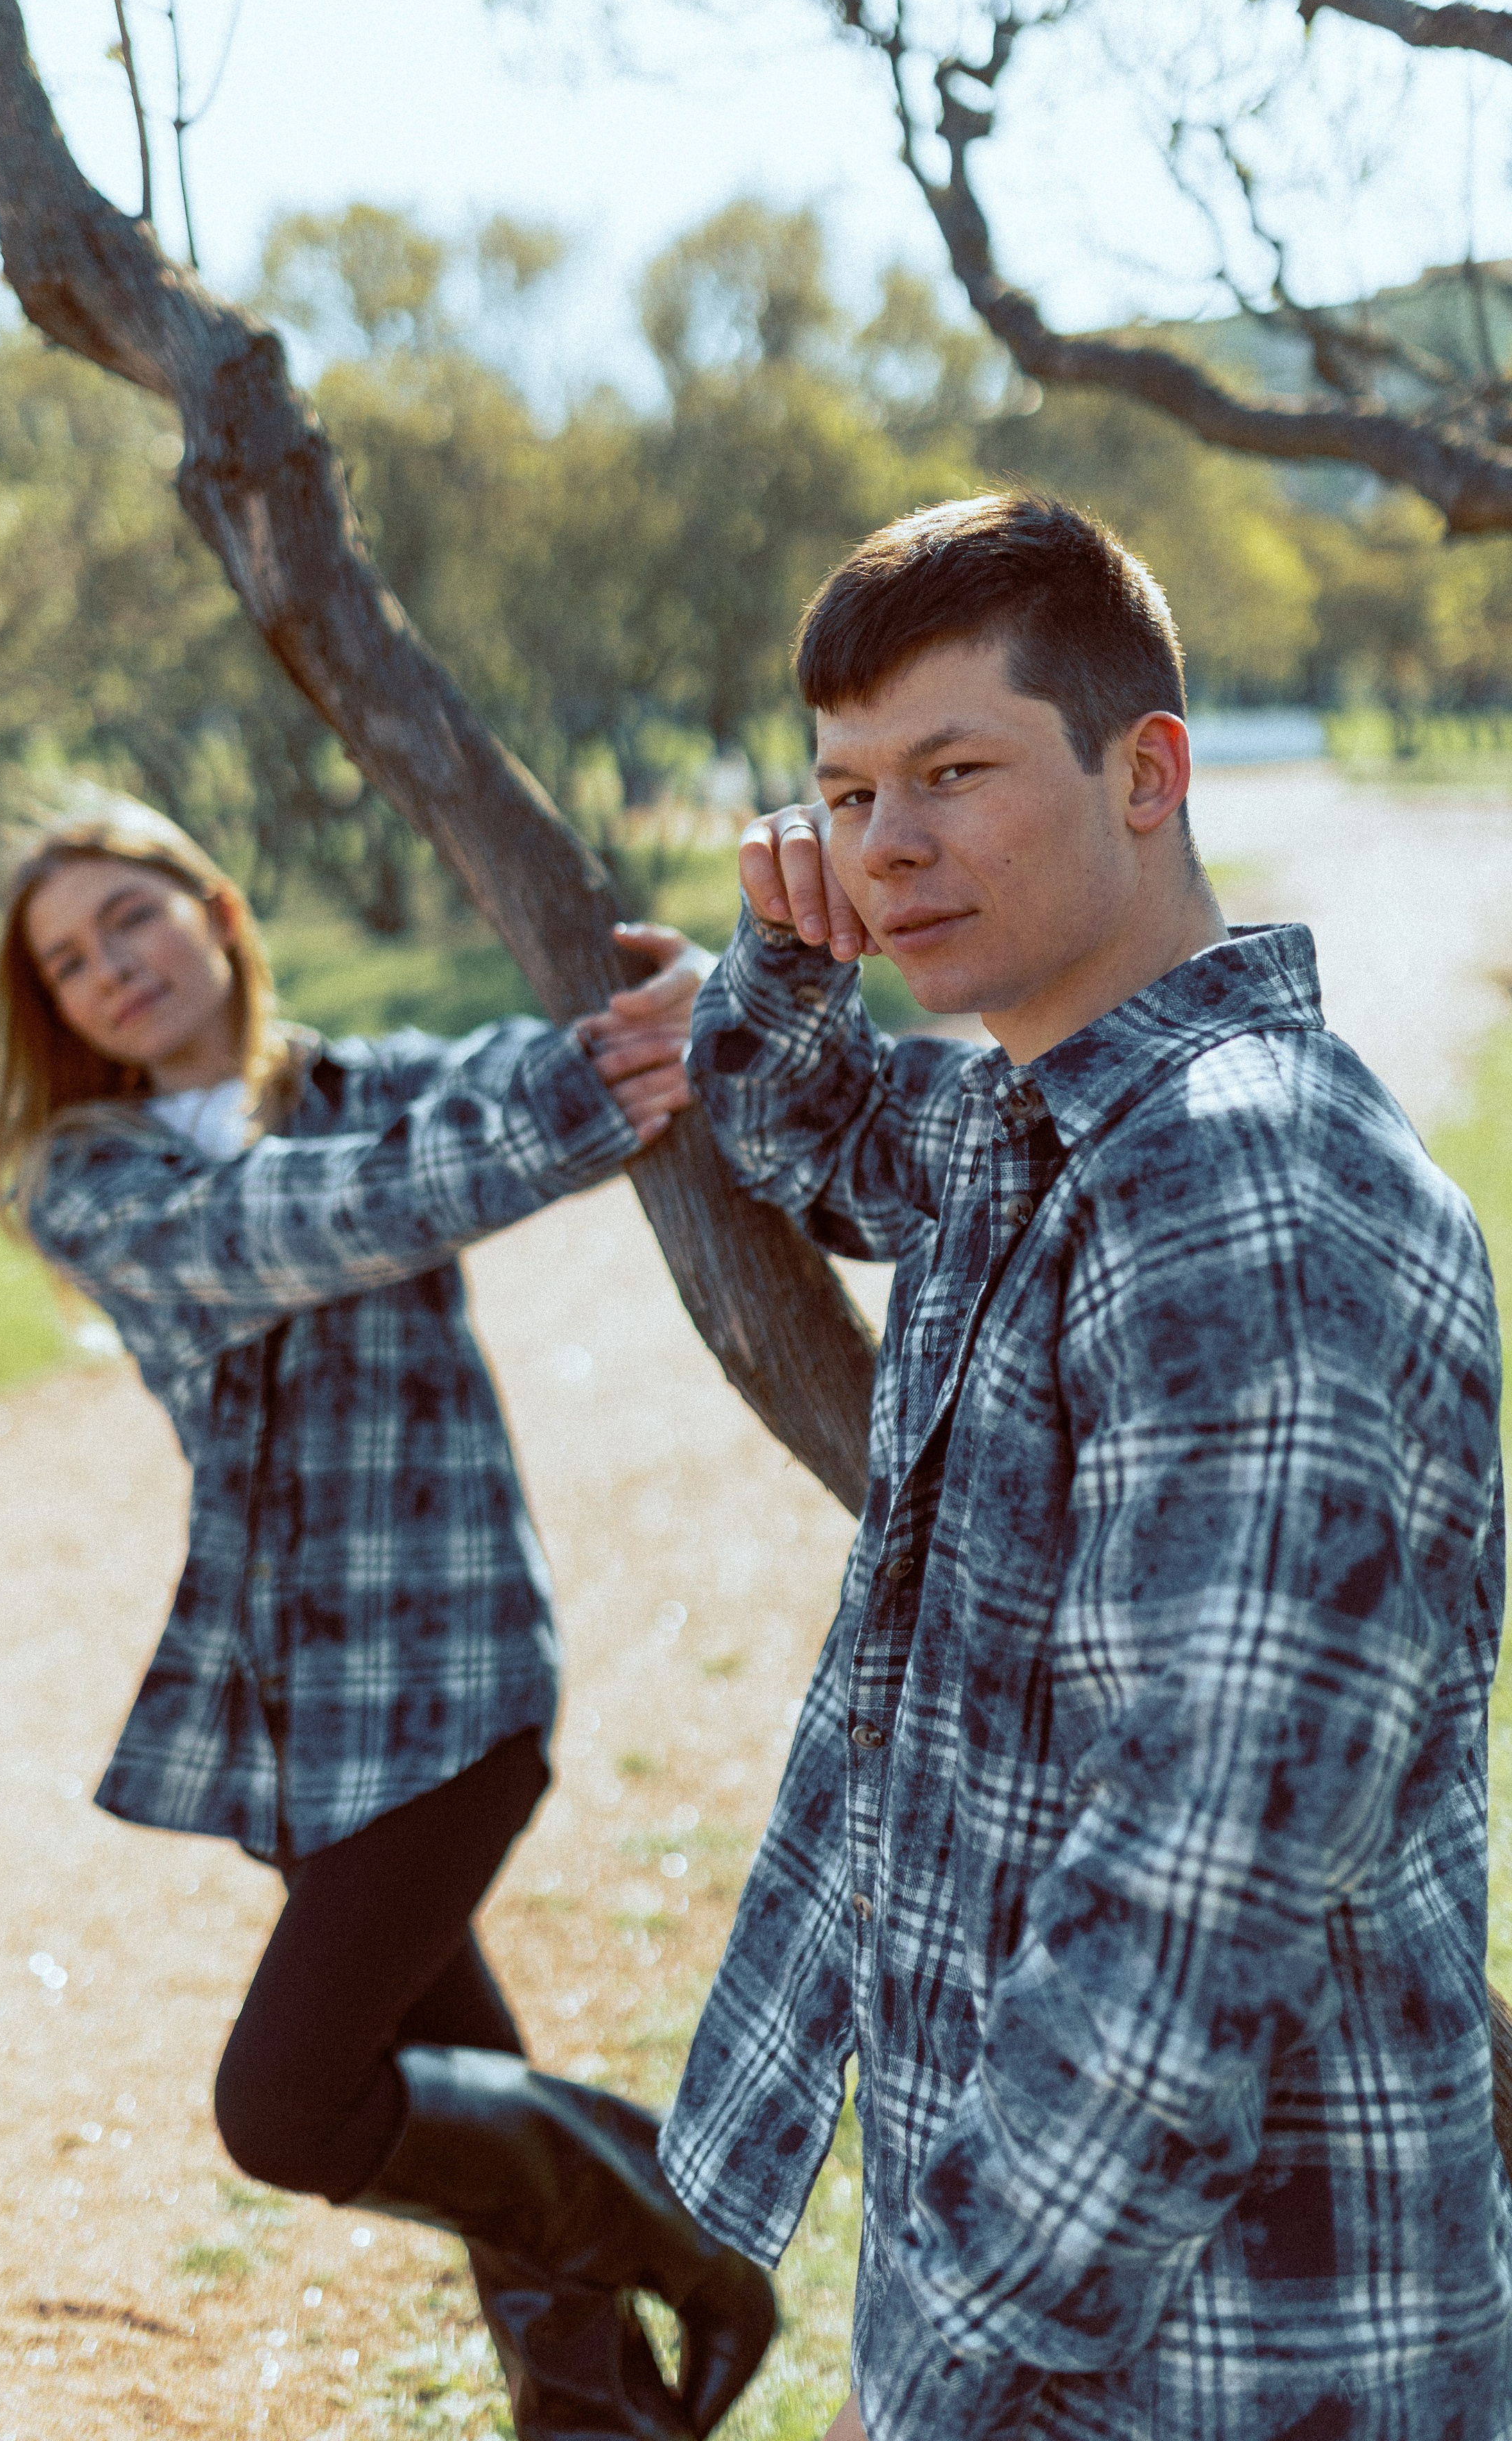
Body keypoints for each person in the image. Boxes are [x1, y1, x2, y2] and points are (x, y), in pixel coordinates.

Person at [655, 493, 1512, 2438]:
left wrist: (963, 2336)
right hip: (1073, 2315)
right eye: (846, 792)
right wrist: (786, 952)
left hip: (1206, 2360)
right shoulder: (1035, 1127)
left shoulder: (1245, 1194)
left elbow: (1198, 1889)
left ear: (1150, 773)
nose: (890, 845)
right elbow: (796, 1121)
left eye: (955, 771)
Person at [0, 795, 776, 2441]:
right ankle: (593, 2413)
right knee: (454, 2101)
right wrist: (569, 1103)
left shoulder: (376, 1089)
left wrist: (695, 1008)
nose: (106, 967)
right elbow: (303, 1221)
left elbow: (550, 1065)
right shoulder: (87, 1178)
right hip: (286, 1717)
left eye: (129, 918)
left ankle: (692, 2244)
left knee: (287, 2105)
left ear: (214, 913)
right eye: (65, 961)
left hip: (458, 1690)